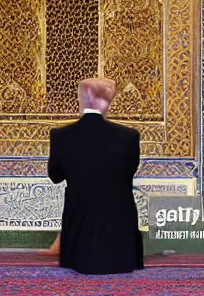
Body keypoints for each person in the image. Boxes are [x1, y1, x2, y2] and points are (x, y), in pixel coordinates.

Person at [46, 78, 144, 274]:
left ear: (84, 99)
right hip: (121, 242)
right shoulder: (129, 136)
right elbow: (129, 172)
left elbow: (55, 176)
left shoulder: (61, 135)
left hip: (78, 241)